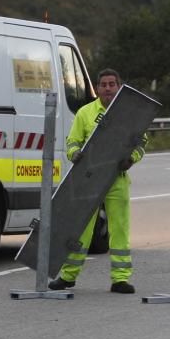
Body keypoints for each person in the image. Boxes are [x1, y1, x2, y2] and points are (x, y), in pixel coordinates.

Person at [49, 69, 147, 294]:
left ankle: (120, 279)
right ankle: (68, 276)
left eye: (112, 84)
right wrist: (75, 155)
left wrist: (131, 159)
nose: (108, 88)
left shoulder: (128, 113)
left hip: (116, 179)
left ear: (119, 86)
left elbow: (141, 143)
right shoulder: (85, 113)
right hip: (90, 179)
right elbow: (72, 142)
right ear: (97, 88)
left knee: (119, 229)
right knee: (81, 228)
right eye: (104, 84)